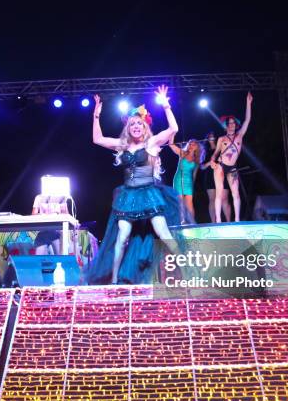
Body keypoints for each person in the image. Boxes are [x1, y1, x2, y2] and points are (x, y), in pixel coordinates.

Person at [89, 85, 182, 285]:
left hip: (149, 193)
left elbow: (173, 129)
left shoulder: (152, 143)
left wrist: (166, 106)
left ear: (145, 126)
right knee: (122, 238)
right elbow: (97, 139)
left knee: (163, 233)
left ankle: (189, 273)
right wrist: (96, 116)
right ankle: (114, 281)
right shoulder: (122, 145)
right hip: (127, 197)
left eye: (139, 123)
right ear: (128, 128)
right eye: (132, 124)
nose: (136, 127)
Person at [210, 92, 253, 222]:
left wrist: (248, 103)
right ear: (226, 125)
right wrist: (212, 160)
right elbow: (216, 152)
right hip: (221, 166)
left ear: (236, 125)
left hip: (233, 168)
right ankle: (218, 220)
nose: (232, 125)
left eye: (234, 123)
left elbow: (247, 120)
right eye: (229, 123)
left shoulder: (240, 135)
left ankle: (237, 219)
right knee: (219, 193)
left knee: (236, 194)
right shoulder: (221, 138)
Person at [199, 131, 231, 223]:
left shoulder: (221, 148)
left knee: (224, 199)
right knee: (212, 200)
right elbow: (202, 167)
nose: (211, 138)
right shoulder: (204, 151)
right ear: (207, 138)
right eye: (210, 136)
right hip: (209, 177)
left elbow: (229, 160)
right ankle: (214, 223)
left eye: (213, 136)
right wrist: (209, 163)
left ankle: (229, 222)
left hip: (222, 175)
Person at [168, 137, 201, 222]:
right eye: (190, 143)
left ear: (197, 147)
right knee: (181, 203)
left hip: (189, 182)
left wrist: (192, 186)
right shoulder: (183, 153)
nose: (191, 145)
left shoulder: (197, 160)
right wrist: (173, 133)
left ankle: (192, 222)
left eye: (194, 144)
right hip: (179, 179)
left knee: (190, 204)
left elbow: (194, 175)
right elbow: (171, 145)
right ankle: (182, 221)